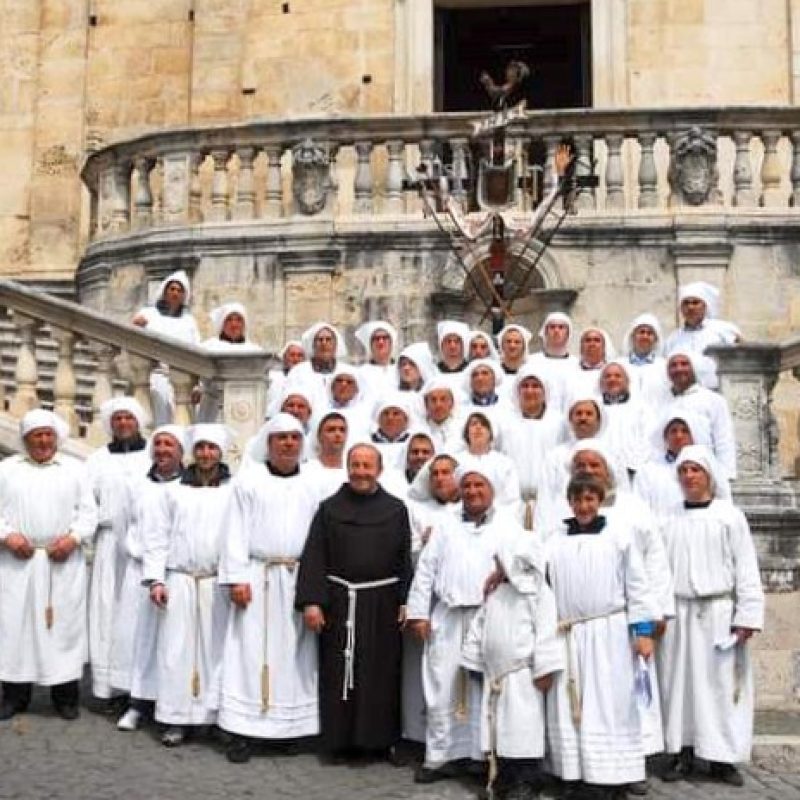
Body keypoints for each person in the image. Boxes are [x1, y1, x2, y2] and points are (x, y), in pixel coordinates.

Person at [407, 458, 520, 785]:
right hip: (449, 616)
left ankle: (481, 756)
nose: (472, 491)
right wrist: (418, 613)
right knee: (441, 686)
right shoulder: (444, 524)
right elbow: (425, 570)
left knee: (483, 689)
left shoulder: (508, 526)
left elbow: (523, 566)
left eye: (479, 485)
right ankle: (440, 755)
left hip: (489, 618)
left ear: (491, 490)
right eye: (467, 485)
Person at [296, 444, 412, 761]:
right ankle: (339, 740)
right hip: (340, 603)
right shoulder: (329, 509)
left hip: (382, 604)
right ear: (348, 468)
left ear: (379, 469)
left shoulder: (396, 509)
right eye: (356, 465)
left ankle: (378, 740)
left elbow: (404, 559)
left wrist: (405, 600)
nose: (361, 472)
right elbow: (315, 557)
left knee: (381, 673)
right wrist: (312, 603)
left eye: (367, 465)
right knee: (339, 671)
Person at [544, 475, 657, 799]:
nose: (583, 506)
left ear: (600, 500)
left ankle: (614, 776)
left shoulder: (619, 537)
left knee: (610, 704)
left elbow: (637, 586)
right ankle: (573, 774)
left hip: (609, 634)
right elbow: (535, 574)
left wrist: (643, 632)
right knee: (571, 705)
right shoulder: (554, 540)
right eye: (578, 500)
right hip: (568, 633)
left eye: (590, 499)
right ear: (570, 502)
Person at [218, 413, 323, 763]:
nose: (288, 444)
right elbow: (233, 531)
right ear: (269, 443)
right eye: (281, 438)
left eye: (294, 438)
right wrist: (236, 578)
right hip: (258, 576)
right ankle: (242, 730)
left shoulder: (313, 484)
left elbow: (320, 538)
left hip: (297, 577)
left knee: (294, 655)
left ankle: (288, 729)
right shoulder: (249, 481)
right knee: (250, 652)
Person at [658, 446, 764, 787]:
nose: (689, 476)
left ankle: (722, 757)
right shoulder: (667, 517)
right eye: (684, 470)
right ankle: (682, 752)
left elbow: (746, 567)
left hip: (718, 613)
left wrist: (746, 615)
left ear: (709, 475)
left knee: (720, 686)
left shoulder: (730, 516)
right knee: (680, 685)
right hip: (678, 611)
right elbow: (658, 569)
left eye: (695, 470)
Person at [0, 410, 98, 721]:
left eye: (48, 435)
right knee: (15, 627)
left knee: (63, 628)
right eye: (36, 435)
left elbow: (88, 513)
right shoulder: (6, 469)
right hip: (18, 563)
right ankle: (15, 694)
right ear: (25, 438)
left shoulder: (75, 470)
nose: (43, 441)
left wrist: (73, 538)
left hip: (61, 562)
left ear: (56, 438)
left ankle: (65, 695)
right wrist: (7, 536)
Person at [143, 424, 234, 746]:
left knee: (216, 650)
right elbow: (157, 537)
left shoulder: (233, 491)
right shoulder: (174, 491)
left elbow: (239, 539)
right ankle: (175, 718)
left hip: (216, 583)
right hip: (180, 579)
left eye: (212, 448)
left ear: (221, 452)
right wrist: (156, 578)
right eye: (201, 448)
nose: (206, 454)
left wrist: (236, 578)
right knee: (175, 650)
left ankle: (213, 716)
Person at [461, 536, 564, 800]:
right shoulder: (496, 593)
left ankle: (527, 780)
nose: (497, 565)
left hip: (522, 678)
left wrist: (545, 668)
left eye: (500, 560)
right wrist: (472, 658)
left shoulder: (538, 594)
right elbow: (480, 625)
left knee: (523, 731)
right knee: (499, 733)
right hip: (495, 677)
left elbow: (546, 632)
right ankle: (504, 777)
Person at [116, 424, 187, 732]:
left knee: (175, 645)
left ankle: (173, 708)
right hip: (140, 572)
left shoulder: (190, 487)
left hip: (175, 574)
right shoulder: (138, 484)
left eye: (169, 445)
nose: (162, 450)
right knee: (141, 640)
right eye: (158, 444)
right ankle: (138, 702)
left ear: (182, 451)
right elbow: (123, 524)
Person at [86, 396, 151, 709]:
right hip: (109, 544)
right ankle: (110, 686)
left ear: (139, 421)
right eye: (118, 419)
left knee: (139, 614)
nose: (124, 423)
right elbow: (86, 501)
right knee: (108, 612)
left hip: (142, 547)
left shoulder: (154, 455)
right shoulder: (97, 459)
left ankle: (140, 685)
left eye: (129, 418)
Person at [131, 269, 201, 425]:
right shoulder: (148, 314)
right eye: (172, 289)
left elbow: (196, 350)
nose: (175, 293)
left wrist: (198, 385)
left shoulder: (189, 321)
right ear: (165, 291)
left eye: (179, 290)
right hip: (156, 375)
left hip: (182, 378)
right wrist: (137, 326)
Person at [498, 365, 561, 529]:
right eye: (525, 386)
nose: (530, 391)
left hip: (551, 503)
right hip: (511, 504)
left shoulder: (559, 423)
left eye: (535, 386)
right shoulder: (504, 423)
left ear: (545, 391)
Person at [664, 350, 737, 479]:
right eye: (673, 365)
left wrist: (726, 476)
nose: (679, 369)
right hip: (668, 473)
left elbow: (724, 439)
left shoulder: (713, 400)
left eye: (684, 364)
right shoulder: (663, 401)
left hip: (705, 474)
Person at [665, 281, 742, 389]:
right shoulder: (673, 338)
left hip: (719, 392)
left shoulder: (724, 330)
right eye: (686, 303)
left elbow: (740, 359)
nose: (690, 307)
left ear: (705, 306)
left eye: (695, 302)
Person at [196, 302, 263, 421]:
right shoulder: (208, 347)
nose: (234, 324)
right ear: (222, 323)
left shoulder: (255, 350)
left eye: (238, 320)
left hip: (245, 406)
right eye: (229, 320)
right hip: (213, 406)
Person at [460, 412, 521, 517]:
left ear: (490, 434)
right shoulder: (456, 462)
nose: (478, 428)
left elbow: (512, 500)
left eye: (483, 425)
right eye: (474, 424)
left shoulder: (505, 463)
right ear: (467, 433)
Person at [286, 321, 348, 412]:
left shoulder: (348, 372)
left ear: (335, 345)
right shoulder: (298, 372)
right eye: (320, 340)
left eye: (328, 339)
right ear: (313, 345)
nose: (324, 343)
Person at [527, 312, 578, 413]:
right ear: (545, 332)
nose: (556, 331)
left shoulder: (577, 364)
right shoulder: (531, 362)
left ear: (568, 333)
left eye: (561, 327)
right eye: (552, 327)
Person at [621, 312, 669, 407]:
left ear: (656, 339)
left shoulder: (665, 366)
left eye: (650, 333)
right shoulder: (619, 365)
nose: (645, 336)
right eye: (641, 332)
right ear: (633, 336)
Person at [303, 411, 349, 499]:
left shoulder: (352, 472)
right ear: (319, 435)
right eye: (331, 430)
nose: (338, 434)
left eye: (342, 430)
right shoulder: (305, 471)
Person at [355, 321, 400, 403]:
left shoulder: (401, 371)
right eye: (376, 339)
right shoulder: (360, 373)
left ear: (391, 342)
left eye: (385, 338)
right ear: (370, 344)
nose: (381, 342)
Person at [370, 394, 414, 472]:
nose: (390, 418)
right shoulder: (366, 442)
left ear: (406, 419)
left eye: (396, 414)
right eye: (386, 413)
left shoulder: (414, 443)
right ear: (378, 418)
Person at [422, 378, 464, 452]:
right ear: (426, 405)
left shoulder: (463, 428)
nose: (438, 405)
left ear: (452, 403)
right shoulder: (420, 429)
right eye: (433, 400)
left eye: (443, 399)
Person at [266, 340, 305, 411]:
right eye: (292, 355)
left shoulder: (309, 379)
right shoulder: (272, 377)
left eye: (299, 355)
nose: (296, 359)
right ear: (284, 357)